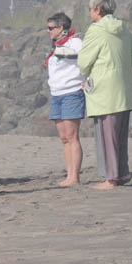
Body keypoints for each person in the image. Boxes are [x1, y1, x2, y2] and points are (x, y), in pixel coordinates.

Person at [77, 0, 132, 190]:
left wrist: (90, 74)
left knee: (107, 136)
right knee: (120, 136)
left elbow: (83, 62)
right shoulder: (124, 29)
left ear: (97, 10)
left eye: (91, 9)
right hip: (123, 89)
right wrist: (128, 75)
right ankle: (122, 173)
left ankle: (111, 178)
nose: (90, 13)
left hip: (103, 90)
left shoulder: (96, 30)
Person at [43, 12, 86, 187]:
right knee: (63, 137)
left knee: (72, 135)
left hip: (72, 92)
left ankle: (74, 177)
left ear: (61, 28)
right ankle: (69, 175)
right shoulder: (55, 46)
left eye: (51, 28)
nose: (48, 31)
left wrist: (58, 51)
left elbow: (82, 58)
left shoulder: (75, 42)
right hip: (57, 93)